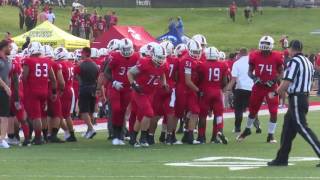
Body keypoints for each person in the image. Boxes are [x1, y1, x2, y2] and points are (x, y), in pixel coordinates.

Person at [268, 40, 320, 168]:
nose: (288, 52)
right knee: (287, 129)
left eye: (289, 49)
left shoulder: (294, 62)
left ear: (292, 49)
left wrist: (275, 93)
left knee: (302, 128)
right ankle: (281, 158)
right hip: (302, 97)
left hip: (297, 98)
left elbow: (287, 81)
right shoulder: (307, 61)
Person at [237, 36, 284, 143]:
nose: (265, 46)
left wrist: (273, 80)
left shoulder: (277, 56)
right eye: (264, 44)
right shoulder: (254, 55)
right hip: (258, 87)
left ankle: (270, 135)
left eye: (267, 44)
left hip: (271, 88)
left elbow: (281, 72)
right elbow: (249, 72)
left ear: (271, 46)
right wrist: (254, 78)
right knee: (253, 110)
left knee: (273, 111)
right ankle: (248, 129)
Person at [127, 43, 167, 147]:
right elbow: (130, 73)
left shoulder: (163, 65)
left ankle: (132, 138)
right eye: (159, 57)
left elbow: (162, 74)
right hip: (140, 92)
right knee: (149, 113)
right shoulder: (144, 62)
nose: (161, 60)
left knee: (140, 117)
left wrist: (164, 84)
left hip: (151, 93)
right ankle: (143, 138)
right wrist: (133, 84)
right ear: (153, 55)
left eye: (163, 58)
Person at [22, 42, 57, 145]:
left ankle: (38, 137)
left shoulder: (28, 61)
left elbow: (24, 77)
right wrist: (54, 92)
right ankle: (42, 136)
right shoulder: (47, 61)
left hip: (32, 92)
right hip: (44, 91)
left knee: (36, 116)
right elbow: (53, 79)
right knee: (42, 115)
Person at [198, 47, 229, 144]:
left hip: (205, 92)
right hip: (217, 92)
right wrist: (222, 87)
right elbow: (224, 81)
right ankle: (217, 134)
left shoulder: (202, 65)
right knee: (218, 114)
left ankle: (201, 137)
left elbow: (199, 79)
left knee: (202, 116)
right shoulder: (223, 64)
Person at [175, 39, 202, 145]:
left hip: (188, 89)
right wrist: (198, 90)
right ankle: (185, 136)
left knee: (193, 111)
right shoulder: (187, 60)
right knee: (179, 113)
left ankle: (187, 135)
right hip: (186, 89)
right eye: (194, 51)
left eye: (198, 51)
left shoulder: (190, 59)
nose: (196, 54)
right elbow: (187, 81)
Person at [225, 48, 254, 134]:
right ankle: (257, 126)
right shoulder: (252, 62)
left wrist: (227, 89)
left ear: (240, 54)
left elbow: (233, 79)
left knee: (238, 110)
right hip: (252, 88)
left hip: (240, 88)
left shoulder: (236, 63)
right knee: (253, 108)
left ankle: (237, 127)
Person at [74, 47, 99, 139]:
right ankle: (89, 130)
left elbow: (76, 75)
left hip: (84, 87)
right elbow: (98, 76)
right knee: (91, 110)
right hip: (93, 87)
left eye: (82, 53)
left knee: (84, 111)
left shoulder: (80, 64)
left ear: (84, 53)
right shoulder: (95, 65)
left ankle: (91, 128)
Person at [0, 40, 12, 148]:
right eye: (9, 46)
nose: (11, 48)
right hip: (2, 90)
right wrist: (6, 87)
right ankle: (1, 140)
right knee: (4, 117)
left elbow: (7, 76)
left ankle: (2, 138)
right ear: (4, 47)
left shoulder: (7, 60)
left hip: (4, 91)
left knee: (4, 116)